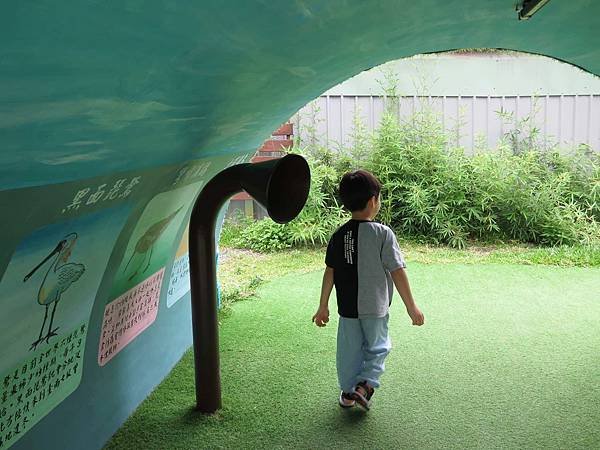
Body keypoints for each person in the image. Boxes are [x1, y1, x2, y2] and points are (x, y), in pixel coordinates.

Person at [312, 169, 424, 410]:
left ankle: (348, 391)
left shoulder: (339, 235)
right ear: (374, 201)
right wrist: (411, 306)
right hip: (376, 307)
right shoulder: (383, 234)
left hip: (348, 308)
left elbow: (329, 271)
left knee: (348, 351)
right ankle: (365, 386)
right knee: (378, 347)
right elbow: (397, 271)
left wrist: (323, 306)